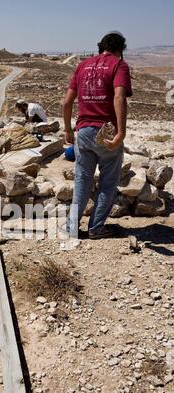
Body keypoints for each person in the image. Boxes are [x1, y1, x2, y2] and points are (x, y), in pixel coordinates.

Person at [63, 31, 132, 240]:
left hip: (82, 132)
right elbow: (119, 97)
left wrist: (67, 129)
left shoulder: (82, 66)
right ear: (120, 49)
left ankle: (71, 228)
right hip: (106, 132)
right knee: (108, 182)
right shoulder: (118, 65)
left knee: (82, 182)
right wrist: (121, 132)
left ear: (100, 46)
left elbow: (66, 103)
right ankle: (96, 228)